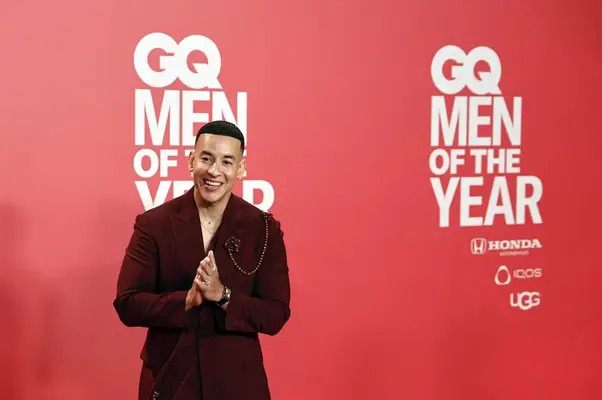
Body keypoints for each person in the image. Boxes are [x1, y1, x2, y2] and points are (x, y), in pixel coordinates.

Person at [113, 120, 291, 400]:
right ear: (191, 161)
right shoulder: (154, 224)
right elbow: (128, 303)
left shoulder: (264, 229)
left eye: (227, 162)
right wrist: (186, 300)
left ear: (241, 168)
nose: (214, 171)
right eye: (206, 158)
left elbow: (276, 314)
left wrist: (223, 296)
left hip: (238, 384)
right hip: (170, 380)